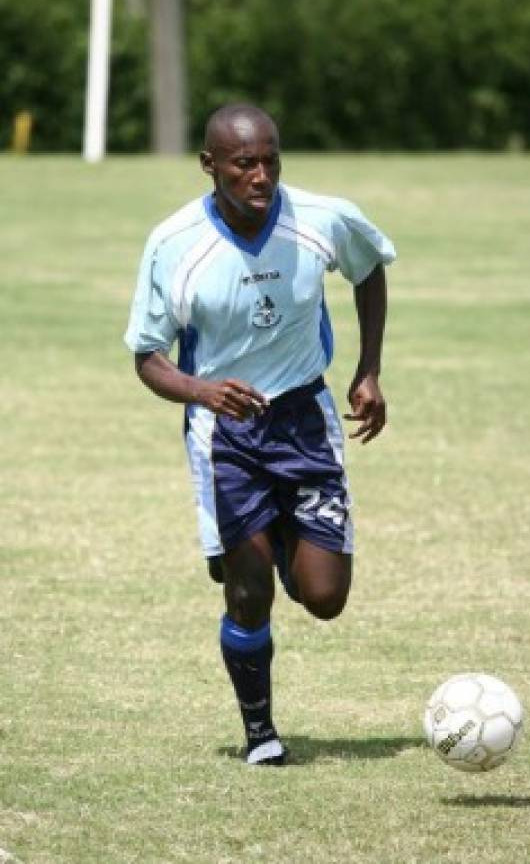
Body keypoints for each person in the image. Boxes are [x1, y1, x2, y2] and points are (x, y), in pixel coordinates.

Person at [124, 103, 395, 765]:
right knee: (248, 591)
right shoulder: (174, 244)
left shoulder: (322, 218)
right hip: (226, 433)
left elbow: (368, 271)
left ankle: (278, 538)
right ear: (209, 165)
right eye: (244, 163)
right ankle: (261, 734)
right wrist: (200, 390)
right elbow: (148, 356)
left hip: (304, 419)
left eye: (270, 159)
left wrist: (367, 371)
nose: (261, 175)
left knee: (324, 597)